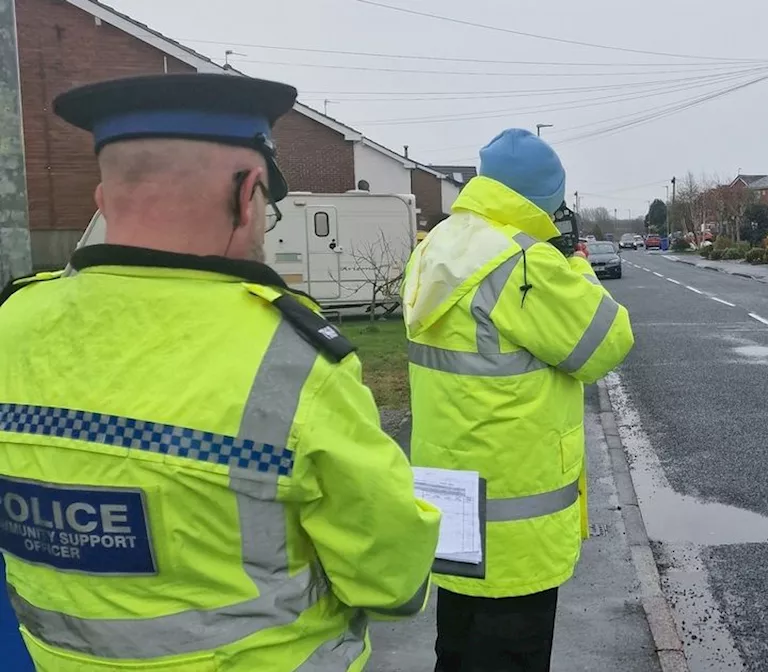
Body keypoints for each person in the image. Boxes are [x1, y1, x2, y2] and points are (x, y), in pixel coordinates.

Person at [0, 73, 441, 670]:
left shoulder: (12, 321)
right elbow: (390, 577)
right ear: (248, 192)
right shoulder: (291, 358)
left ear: (103, 201)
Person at [403, 128, 634, 671]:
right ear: (541, 199)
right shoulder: (522, 263)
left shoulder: (437, 245)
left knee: (457, 646)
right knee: (511, 653)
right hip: (515, 510)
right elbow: (607, 341)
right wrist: (576, 264)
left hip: (453, 493)